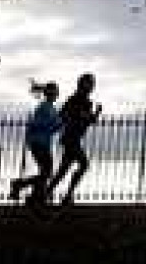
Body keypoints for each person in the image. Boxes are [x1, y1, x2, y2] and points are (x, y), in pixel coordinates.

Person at [50, 73, 103, 205]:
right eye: (89, 83)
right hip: (71, 138)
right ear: (82, 84)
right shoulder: (74, 99)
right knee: (83, 164)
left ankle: (48, 192)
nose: (91, 86)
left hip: (74, 138)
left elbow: (90, 120)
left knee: (64, 169)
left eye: (92, 84)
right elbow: (62, 115)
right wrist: (77, 116)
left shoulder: (87, 102)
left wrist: (96, 112)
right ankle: (67, 195)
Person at [9, 81, 62, 205]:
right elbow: (37, 124)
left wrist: (58, 125)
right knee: (47, 172)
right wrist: (54, 124)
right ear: (49, 93)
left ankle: (35, 197)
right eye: (54, 91)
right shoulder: (43, 107)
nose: (56, 93)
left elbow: (53, 127)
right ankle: (20, 185)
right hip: (38, 142)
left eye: (56, 91)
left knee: (45, 172)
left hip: (43, 142)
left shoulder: (51, 108)